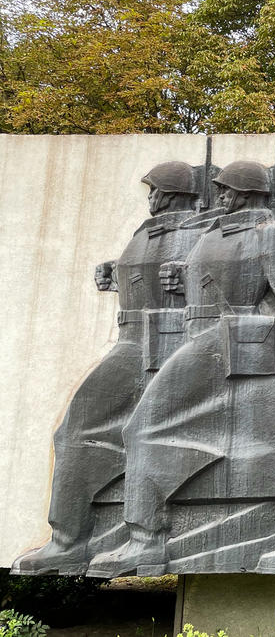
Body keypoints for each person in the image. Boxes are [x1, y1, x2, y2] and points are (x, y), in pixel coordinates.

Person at [87, 160, 275, 577]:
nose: (219, 195)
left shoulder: (270, 233)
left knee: (143, 428)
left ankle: (146, 541)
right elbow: (205, 276)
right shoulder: (219, 231)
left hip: (225, 341)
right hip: (212, 342)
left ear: (246, 192)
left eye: (227, 189)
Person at [13, 163, 206, 575]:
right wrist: (117, 272)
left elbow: (228, 282)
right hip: (133, 339)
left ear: (167, 193)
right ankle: (71, 540)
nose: (149, 196)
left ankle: (133, 539)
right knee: (78, 432)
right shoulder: (148, 232)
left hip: (166, 343)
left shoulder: (204, 231)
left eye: (152, 189)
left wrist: (192, 280)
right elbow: (154, 273)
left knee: (126, 433)